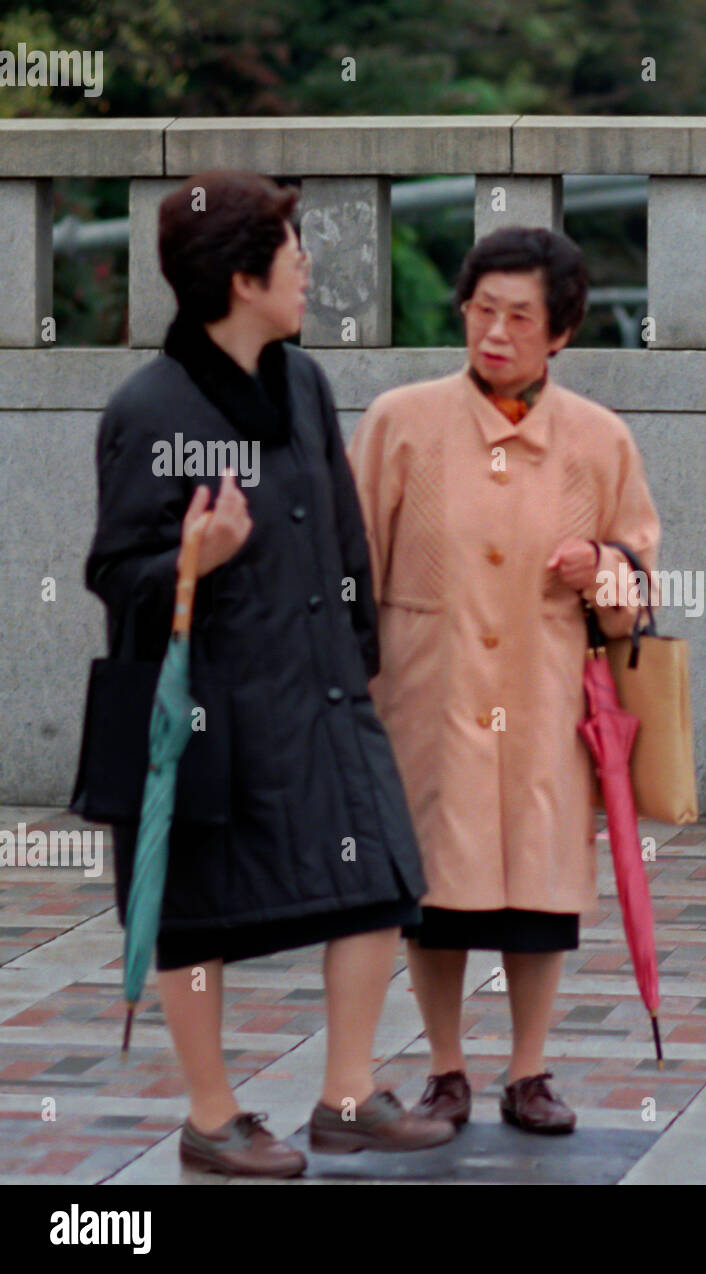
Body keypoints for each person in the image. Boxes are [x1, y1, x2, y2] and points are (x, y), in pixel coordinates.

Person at [85, 170, 455, 1176]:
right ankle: (213, 1116)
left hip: (322, 689)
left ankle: (347, 1093)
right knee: (195, 911)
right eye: (295, 257)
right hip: (209, 709)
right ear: (245, 276)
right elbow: (115, 570)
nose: (308, 273)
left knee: (376, 880)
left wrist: (360, 652)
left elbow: (341, 535)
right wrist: (189, 561)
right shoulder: (147, 407)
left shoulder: (301, 381)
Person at [347, 225, 661, 1134]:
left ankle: (530, 1070)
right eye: (482, 311)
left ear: (560, 333)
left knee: (538, 891)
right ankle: (445, 1068)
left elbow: (636, 588)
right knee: (433, 895)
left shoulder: (599, 441)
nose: (494, 332)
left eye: (519, 317)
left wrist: (598, 565)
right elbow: (352, 564)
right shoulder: (401, 422)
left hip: (542, 693)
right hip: (423, 694)